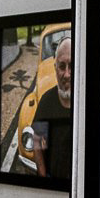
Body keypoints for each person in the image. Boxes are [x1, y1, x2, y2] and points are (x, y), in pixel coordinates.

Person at [28, 37, 74, 179]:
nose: (67, 74)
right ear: (55, 68)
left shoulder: (86, 103)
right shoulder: (46, 102)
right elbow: (38, 147)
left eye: (72, 66)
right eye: (62, 66)